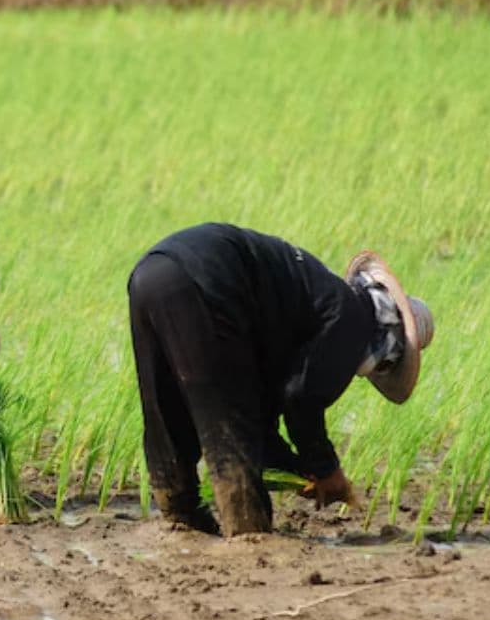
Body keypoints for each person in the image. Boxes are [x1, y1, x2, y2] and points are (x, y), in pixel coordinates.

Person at [127, 223, 434, 536]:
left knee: (166, 408)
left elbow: (263, 418)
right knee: (229, 434)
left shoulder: (312, 305)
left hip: (149, 273)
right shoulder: (351, 319)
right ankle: (248, 535)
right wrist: (327, 469)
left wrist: (299, 471)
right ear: (389, 339)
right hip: (207, 280)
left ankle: (181, 520)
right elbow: (301, 399)